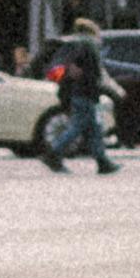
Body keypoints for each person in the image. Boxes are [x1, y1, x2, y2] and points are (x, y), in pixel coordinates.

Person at [38, 15, 117, 175]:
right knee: (77, 128)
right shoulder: (87, 46)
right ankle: (53, 154)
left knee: (94, 129)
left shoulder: (77, 46)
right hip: (85, 93)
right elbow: (93, 72)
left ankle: (103, 161)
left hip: (80, 93)